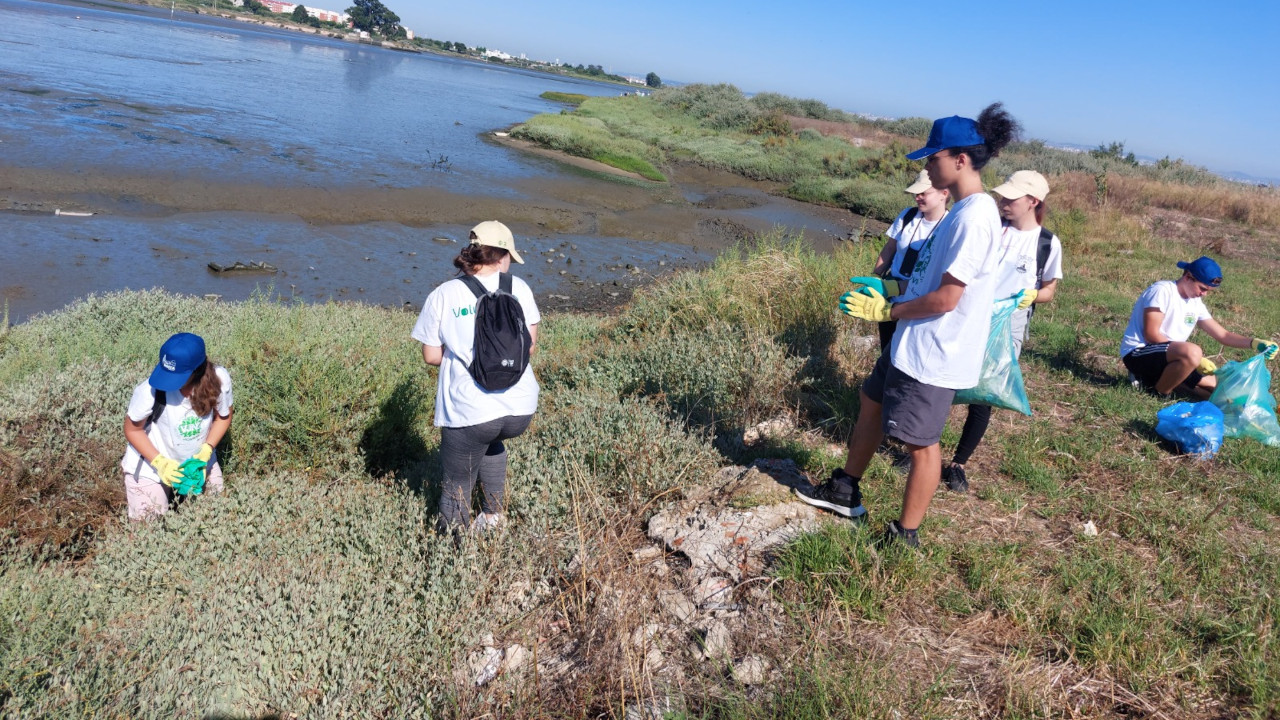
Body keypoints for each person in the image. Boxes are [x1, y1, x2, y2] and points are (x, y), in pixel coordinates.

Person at [796, 103, 1019, 548]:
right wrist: (890, 286)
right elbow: (929, 278)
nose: (925, 167)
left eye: (931, 158)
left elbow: (948, 298)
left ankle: (905, 536)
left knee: (921, 444)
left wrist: (887, 313)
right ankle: (844, 489)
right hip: (911, 345)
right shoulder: (959, 210)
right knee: (871, 401)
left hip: (936, 352)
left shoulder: (975, 218)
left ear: (959, 159)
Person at [411, 220, 540, 538]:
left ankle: (452, 551)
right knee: (492, 441)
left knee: (457, 482)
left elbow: (430, 356)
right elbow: (530, 346)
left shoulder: (445, 293)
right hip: (519, 408)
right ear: (504, 255)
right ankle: (493, 519)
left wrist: (464, 355)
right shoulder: (519, 288)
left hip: (471, 410)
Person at [942, 170, 1064, 493]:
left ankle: (958, 463)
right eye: (1003, 196)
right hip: (972, 312)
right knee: (945, 380)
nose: (1003, 201)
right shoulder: (994, 228)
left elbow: (1050, 288)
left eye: (1011, 198)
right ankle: (922, 447)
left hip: (1009, 323)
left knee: (984, 393)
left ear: (1033, 202)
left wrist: (1033, 296)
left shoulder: (1047, 244)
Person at [1120, 256, 1278, 398]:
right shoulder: (1162, 291)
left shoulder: (1195, 303)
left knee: (1219, 392)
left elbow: (1223, 335)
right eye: (1202, 288)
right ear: (1188, 277)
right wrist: (1194, 358)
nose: (1204, 294)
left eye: (1208, 291)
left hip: (1173, 358)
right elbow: (1151, 335)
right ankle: (1158, 393)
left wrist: (1254, 343)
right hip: (1139, 353)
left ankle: (1150, 382)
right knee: (1192, 352)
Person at [122, 332, 233, 520]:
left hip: (197, 463)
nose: (167, 381)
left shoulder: (219, 379)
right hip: (150, 465)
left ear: (198, 370)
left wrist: (207, 449)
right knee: (149, 530)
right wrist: (160, 463)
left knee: (217, 516)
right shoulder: (149, 390)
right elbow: (132, 429)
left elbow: (224, 416)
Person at [854, 170, 951, 350]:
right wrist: (876, 278)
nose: (918, 197)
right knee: (887, 346)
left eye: (924, 193)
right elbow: (890, 248)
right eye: (916, 193)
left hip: (917, 299)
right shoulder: (908, 216)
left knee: (905, 349)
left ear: (943, 194)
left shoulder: (949, 228)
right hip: (890, 291)